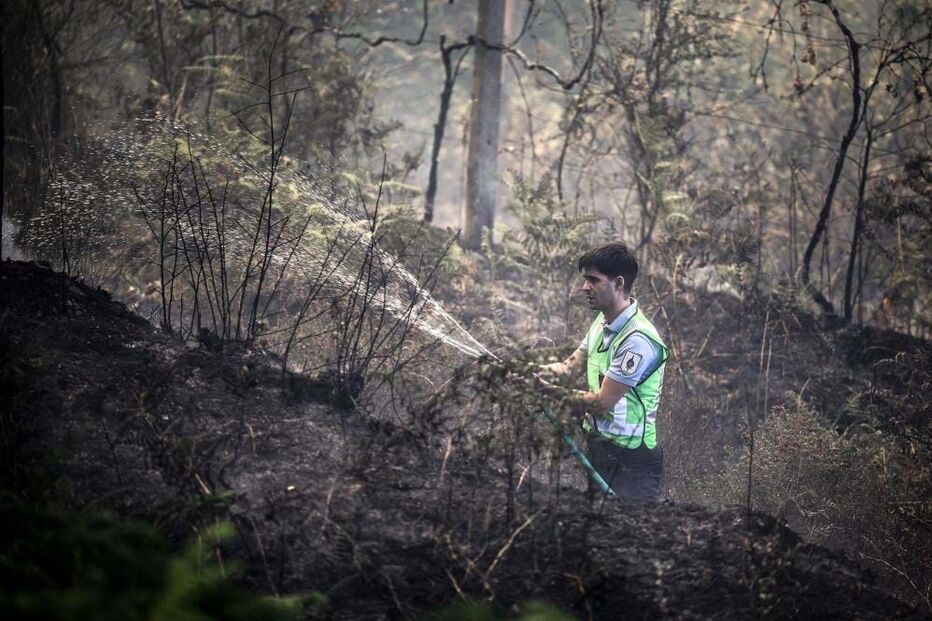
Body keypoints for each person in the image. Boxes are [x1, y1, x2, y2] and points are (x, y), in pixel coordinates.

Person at [537, 242, 668, 500]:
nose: (585, 287)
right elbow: (567, 368)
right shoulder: (602, 321)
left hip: (632, 461)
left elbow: (602, 402)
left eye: (593, 280)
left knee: (632, 524)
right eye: (585, 279)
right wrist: (528, 372)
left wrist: (545, 390)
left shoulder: (638, 340)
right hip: (600, 448)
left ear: (618, 284)